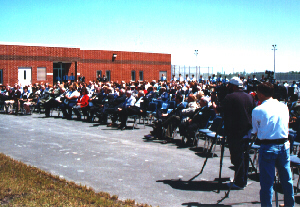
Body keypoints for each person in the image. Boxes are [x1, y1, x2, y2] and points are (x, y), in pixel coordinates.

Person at [252, 82, 294, 207]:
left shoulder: (257, 110)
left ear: (260, 94)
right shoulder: (283, 106)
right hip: (284, 145)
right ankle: (289, 205)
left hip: (268, 147)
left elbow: (255, 131)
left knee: (267, 183)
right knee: (287, 180)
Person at [212, 77, 255, 190]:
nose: (228, 87)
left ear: (233, 86)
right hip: (247, 131)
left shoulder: (230, 97)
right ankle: (242, 179)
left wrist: (214, 104)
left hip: (235, 131)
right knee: (245, 156)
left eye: (229, 85)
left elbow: (218, 110)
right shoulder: (249, 96)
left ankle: (239, 182)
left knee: (237, 157)